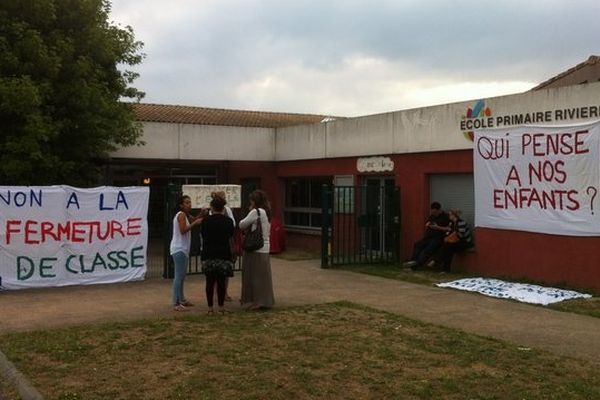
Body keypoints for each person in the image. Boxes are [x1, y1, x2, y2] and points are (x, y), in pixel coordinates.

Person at [239, 189, 275, 310]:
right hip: (265, 246)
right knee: (263, 276)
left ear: (254, 201)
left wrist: (249, 212)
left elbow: (242, 224)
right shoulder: (267, 212)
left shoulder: (256, 212)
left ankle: (257, 301)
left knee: (254, 276)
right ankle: (265, 300)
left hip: (256, 247)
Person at [201, 196, 235, 315]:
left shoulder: (205, 221)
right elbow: (231, 235)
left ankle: (210, 308)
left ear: (212, 207)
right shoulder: (228, 221)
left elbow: (203, 234)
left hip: (208, 253)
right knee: (221, 282)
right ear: (223, 208)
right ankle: (221, 307)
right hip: (223, 254)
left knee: (209, 281)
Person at [170, 195, 203, 311]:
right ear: (181, 205)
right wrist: (196, 223)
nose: (189, 205)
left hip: (182, 249)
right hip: (179, 249)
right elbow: (183, 230)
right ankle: (176, 302)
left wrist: (200, 215)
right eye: (187, 203)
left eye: (190, 202)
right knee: (178, 276)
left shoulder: (185, 215)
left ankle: (182, 299)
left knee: (181, 276)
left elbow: (193, 220)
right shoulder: (181, 215)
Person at [404, 201, 449, 270]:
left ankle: (416, 265)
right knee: (417, 245)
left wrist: (437, 227)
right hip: (428, 236)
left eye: (435, 212)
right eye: (432, 212)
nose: (434, 213)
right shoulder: (432, 216)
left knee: (427, 250)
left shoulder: (445, 217)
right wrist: (428, 224)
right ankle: (412, 262)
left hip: (437, 238)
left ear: (439, 210)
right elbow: (428, 222)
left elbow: (448, 229)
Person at [210, 191, 236, 302]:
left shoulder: (228, 210)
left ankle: (224, 292)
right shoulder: (212, 211)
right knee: (215, 269)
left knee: (226, 268)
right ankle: (217, 292)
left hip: (226, 241)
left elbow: (233, 223)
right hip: (215, 241)